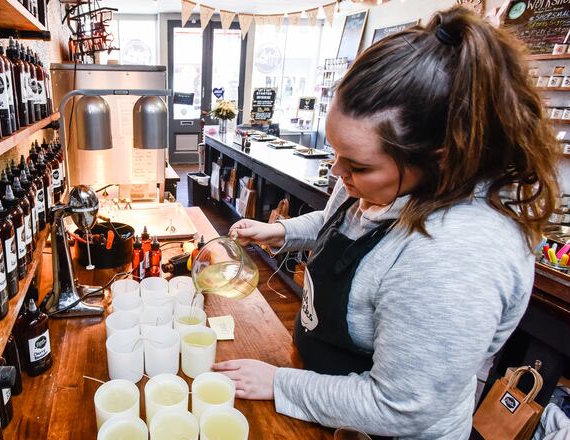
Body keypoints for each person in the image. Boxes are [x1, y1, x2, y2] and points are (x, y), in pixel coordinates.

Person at [215, 6, 559, 439]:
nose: (339, 173)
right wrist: (282, 231)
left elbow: (399, 404)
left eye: (356, 166)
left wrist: (281, 383)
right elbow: (340, 221)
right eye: (335, 152)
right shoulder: (372, 181)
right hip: (329, 400)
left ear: (440, 160)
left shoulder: (455, 255)